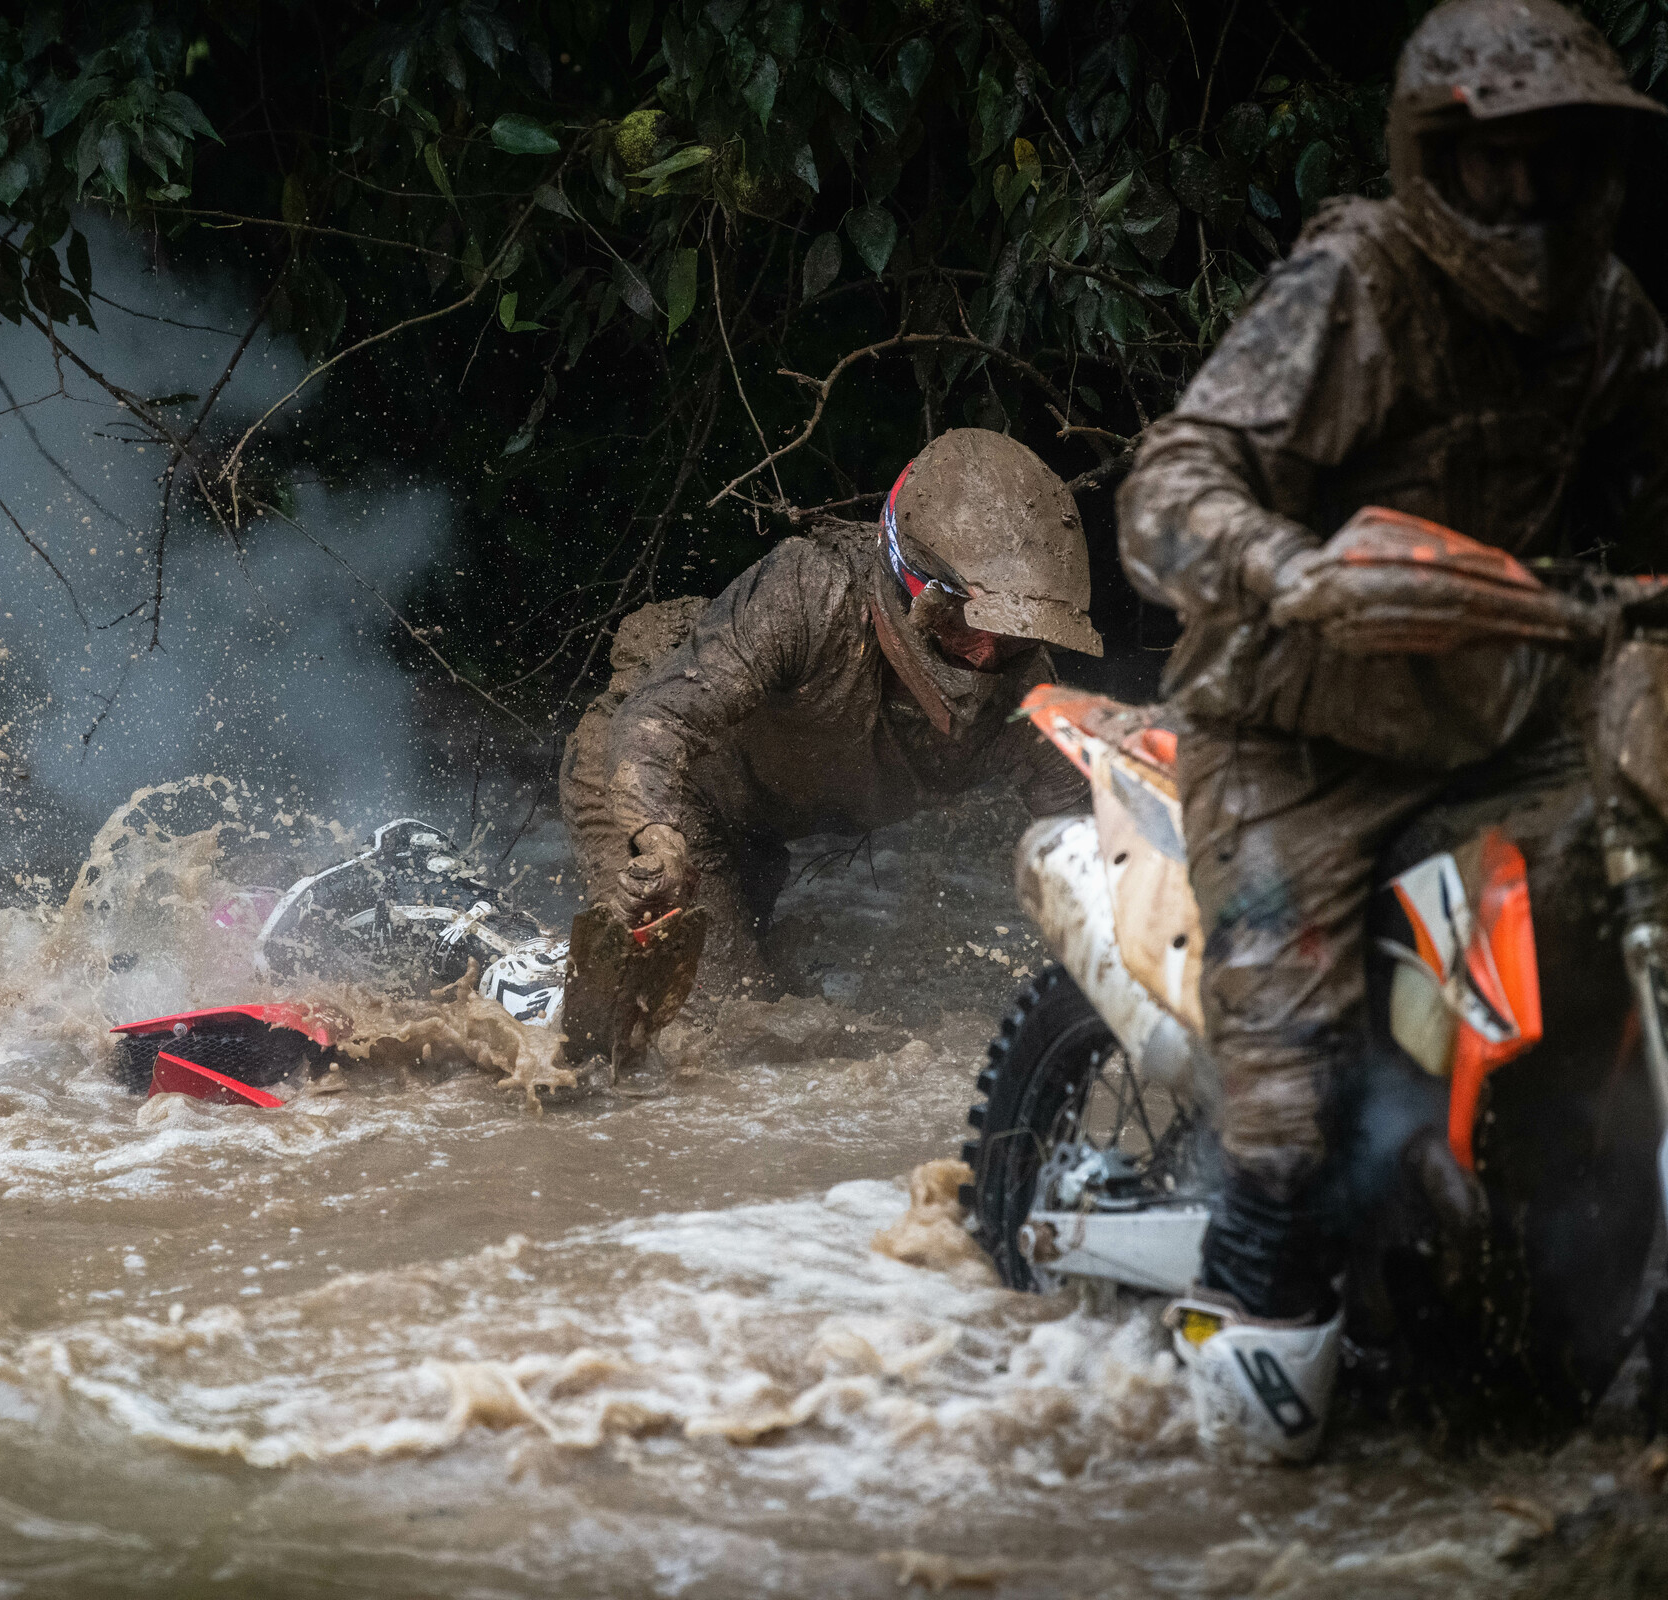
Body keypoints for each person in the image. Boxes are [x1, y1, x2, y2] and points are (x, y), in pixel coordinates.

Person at [1116, 0, 1668, 1463]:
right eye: (1498, 167)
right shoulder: (1357, 285)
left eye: (1563, 163)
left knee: (1606, 983)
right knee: (1288, 1126)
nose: (1531, 200)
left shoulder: (1614, 325)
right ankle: (1245, 1472)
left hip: (1509, 728)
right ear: (1434, 161)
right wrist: (1291, 572)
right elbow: (1168, 484)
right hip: (1295, 741)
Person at [561, 426, 1101, 991]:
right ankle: (521, 973)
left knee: (764, 1016)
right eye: (970, 626)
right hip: (647, 788)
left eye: (1013, 640)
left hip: (753, 834)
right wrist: (660, 839)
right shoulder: (812, 594)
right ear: (915, 589)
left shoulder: (1027, 702)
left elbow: (1095, 852)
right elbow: (654, 723)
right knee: (705, 1014)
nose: (988, 657)